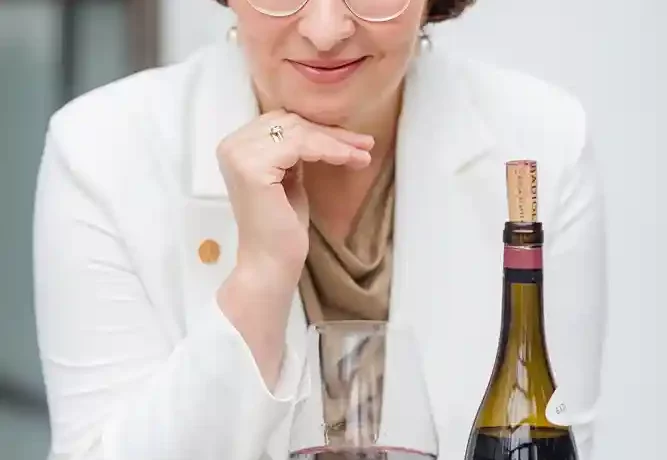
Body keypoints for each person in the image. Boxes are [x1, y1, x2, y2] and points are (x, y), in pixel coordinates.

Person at [32, 0, 608, 458]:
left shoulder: (541, 140)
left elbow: (546, 444)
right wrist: (260, 278)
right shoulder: (101, 151)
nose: (326, 29)